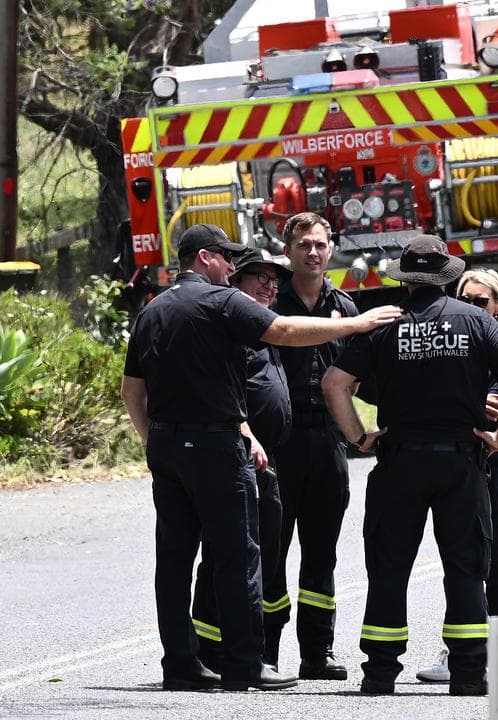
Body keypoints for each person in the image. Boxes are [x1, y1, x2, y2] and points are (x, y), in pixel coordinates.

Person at [121, 224, 400, 692]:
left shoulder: (154, 310)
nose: (232, 268)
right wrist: (357, 323)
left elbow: (133, 390)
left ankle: (181, 665)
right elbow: (285, 330)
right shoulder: (223, 301)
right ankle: (245, 662)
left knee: (173, 559)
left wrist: (155, 441)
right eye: (227, 259)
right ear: (205, 258)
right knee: (238, 555)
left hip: (169, 447)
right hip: (215, 445)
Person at [321, 234, 498, 697]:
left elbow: (335, 382)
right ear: (445, 277)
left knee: (389, 569)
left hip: (399, 463)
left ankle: (379, 674)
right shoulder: (476, 321)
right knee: (464, 570)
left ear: (406, 279)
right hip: (462, 464)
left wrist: (359, 438)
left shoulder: (383, 325)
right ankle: (469, 675)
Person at [415, 268, 498, 683]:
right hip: (458, 464)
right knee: (461, 560)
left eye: (481, 301)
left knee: (495, 558)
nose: (473, 307)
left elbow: (493, 408)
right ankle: (466, 648)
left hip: (494, 463)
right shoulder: (457, 341)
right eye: (466, 299)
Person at [191, 248, 294, 672]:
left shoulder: (261, 325)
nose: (270, 285)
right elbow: (218, 393)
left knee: (265, 556)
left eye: (275, 279)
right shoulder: (229, 326)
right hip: (237, 460)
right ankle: (213, 649)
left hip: (270, 464)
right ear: (236, 282)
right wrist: (244, 433)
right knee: (225, 555)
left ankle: (261, 647)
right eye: (259, 277)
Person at [267, 212, 358, 680]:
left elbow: (363, 377)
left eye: (321, 244)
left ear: (331, 249)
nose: (313, 252)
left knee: (322, 552)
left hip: (327, 440)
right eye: (304, 245)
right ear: (288, 251)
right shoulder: (268, 304)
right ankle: (265, 651)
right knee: (271, 549)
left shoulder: (344, 306)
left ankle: (317, 653)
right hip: (278, 442)